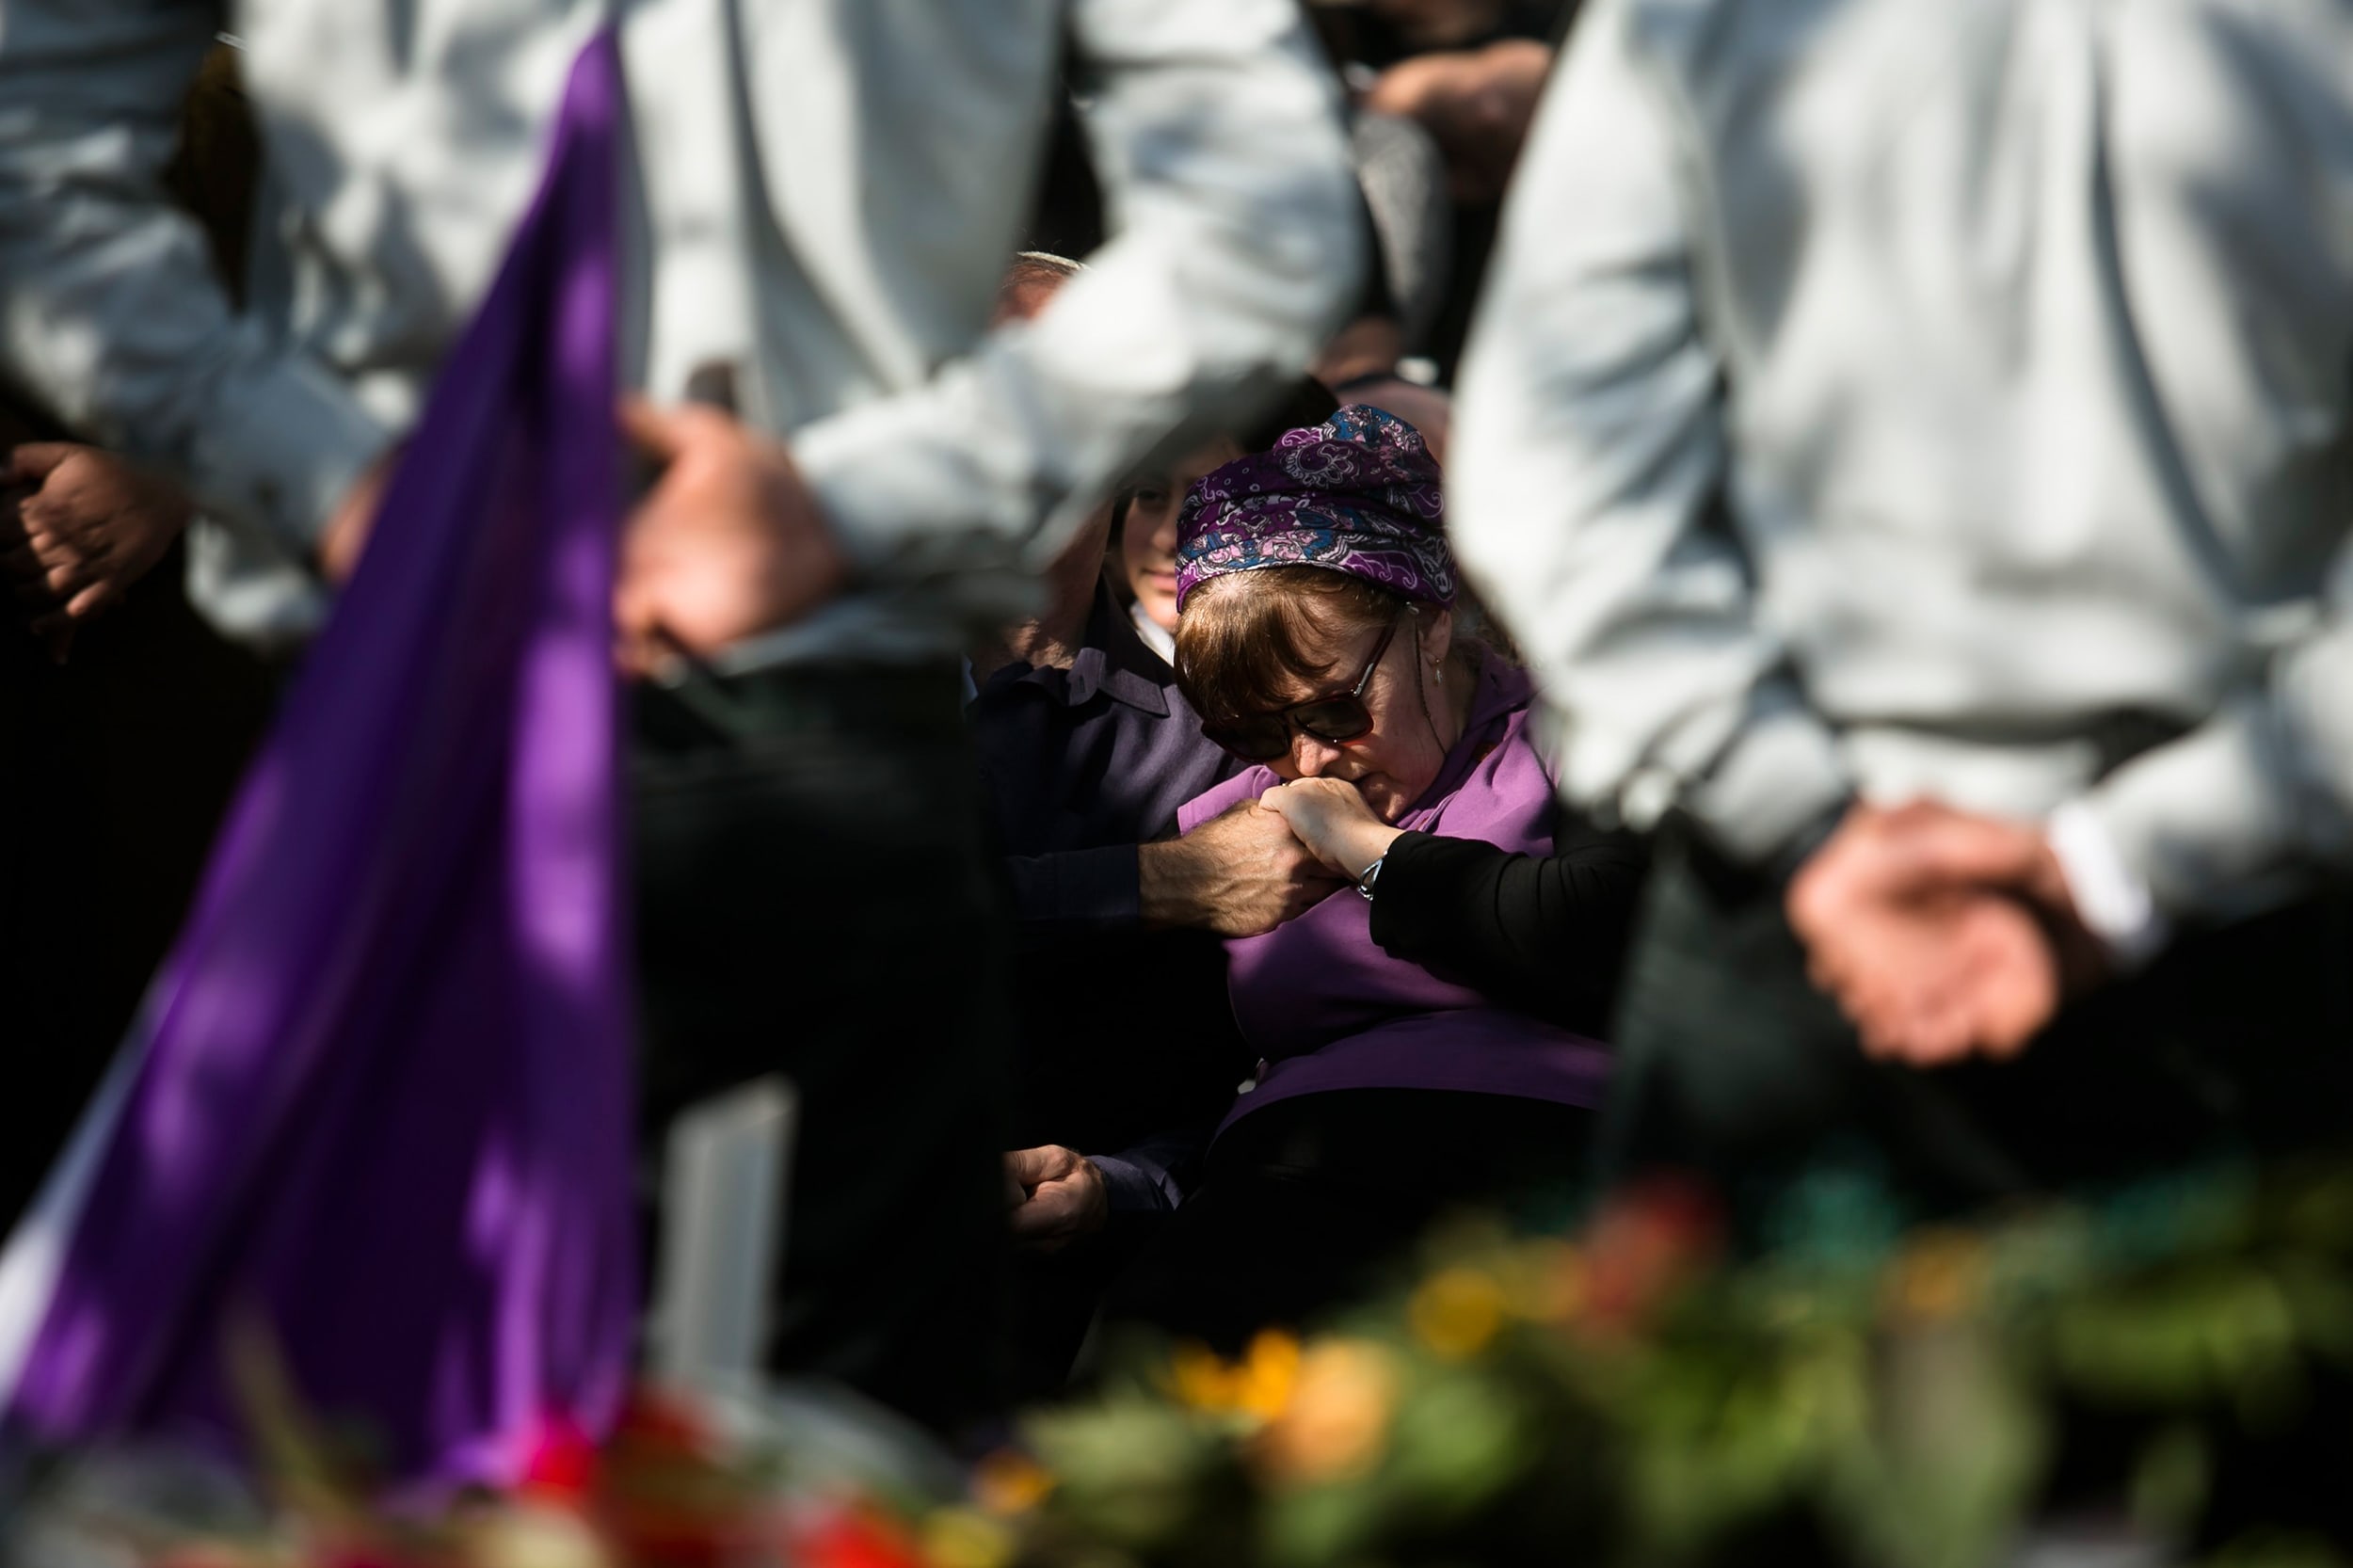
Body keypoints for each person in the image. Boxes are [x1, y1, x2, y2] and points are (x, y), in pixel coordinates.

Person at [0, 0, 1363, 1434]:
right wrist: (315, 468)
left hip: (757, 716)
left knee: (759, 1429)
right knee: (353, 1400)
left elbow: (1265, 206)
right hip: (428, 718)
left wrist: (307, 460)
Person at [1449, 0, 2353, 1225]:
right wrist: (2130, 861)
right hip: (2242, 904)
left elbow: (1556, 476)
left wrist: (1805, 817)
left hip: (1806, 904)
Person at [1092, 405, 1645, 1348]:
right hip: (1288, 1180)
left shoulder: (1571, 734)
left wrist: (1374, 854)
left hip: (1543, 1168)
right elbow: (1179, 1071)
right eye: (1256, 732)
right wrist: (1110, 1181)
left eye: (1335, 709)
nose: (1308, 760)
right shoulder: (1243, 822)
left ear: (1429, 626)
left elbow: (1609, 936)